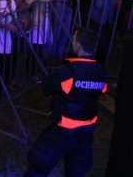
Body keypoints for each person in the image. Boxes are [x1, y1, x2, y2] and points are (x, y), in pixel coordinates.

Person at [23, 28, 108, 177]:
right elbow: (100, 92)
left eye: (74, 40)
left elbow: (46, 88)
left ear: (79, 45)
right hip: (87, 128)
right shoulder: (101, 72)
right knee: (77, 170)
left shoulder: (68, 71)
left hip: (64, 128)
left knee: (39, 166)